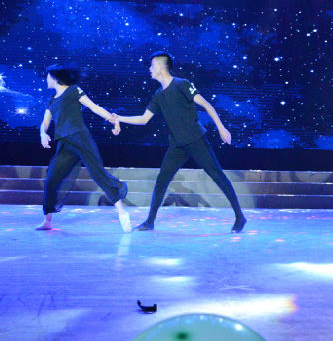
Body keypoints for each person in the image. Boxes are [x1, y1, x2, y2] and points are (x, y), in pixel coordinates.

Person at [112, 51, 246, 233]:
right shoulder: (158, 95)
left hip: (196, 140)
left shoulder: (182, 84)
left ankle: (240, 217)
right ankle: (150, 221)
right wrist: (119, 118)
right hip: (177, 145)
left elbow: (207, 105)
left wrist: (221, 127)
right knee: (162, 180)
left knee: (217, 175)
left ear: (161, 66)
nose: (149, 69)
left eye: (152, 65)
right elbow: (143, 119)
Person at [37, 64, 131, 232]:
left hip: (80, 139)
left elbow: (94, 107)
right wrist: (43, 133)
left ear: (55, 78)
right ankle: (48, 221)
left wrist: (113, 120)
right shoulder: (52, 100)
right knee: (51, 179)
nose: (46, 79)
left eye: (48, 76)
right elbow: (44, 123)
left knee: (98, 174)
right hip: (65, 144)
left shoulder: (73, 90)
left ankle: (122, 213)